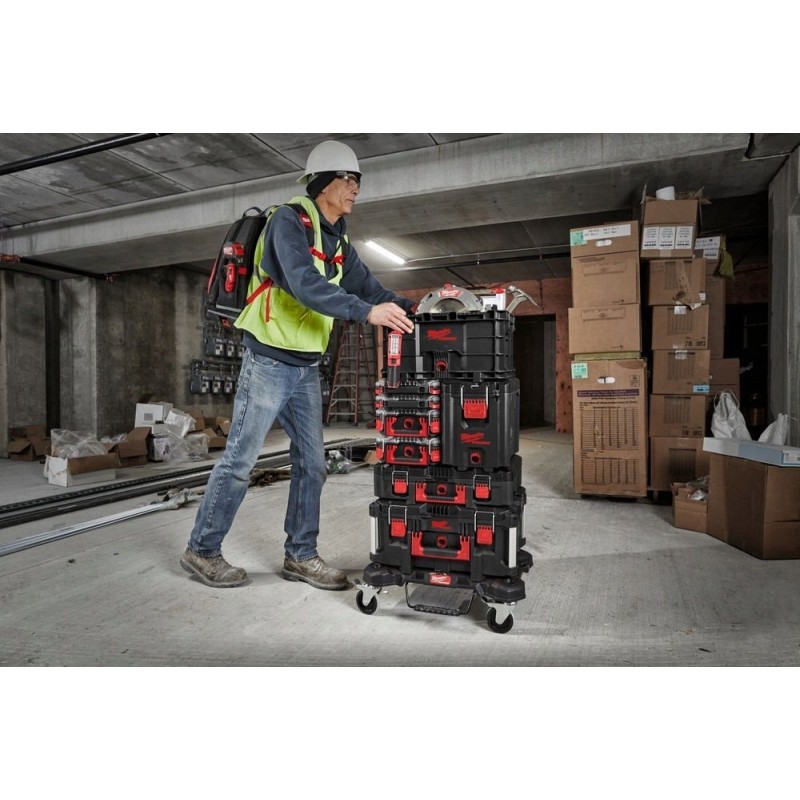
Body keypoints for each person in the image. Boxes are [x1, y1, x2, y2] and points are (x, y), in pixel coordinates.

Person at [180, 140, 415, 591]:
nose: (356, 188)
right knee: (240, 461)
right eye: (349, 179)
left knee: (313, 464)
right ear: (323, 182)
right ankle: (202, 549)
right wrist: (366, 313)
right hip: (268, 360)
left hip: (305, 366)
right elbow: (304, 284)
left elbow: (369, 289)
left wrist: (417, 308)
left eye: (358, 181)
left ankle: (300, 555)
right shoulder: (287, 222)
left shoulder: (338, 238)